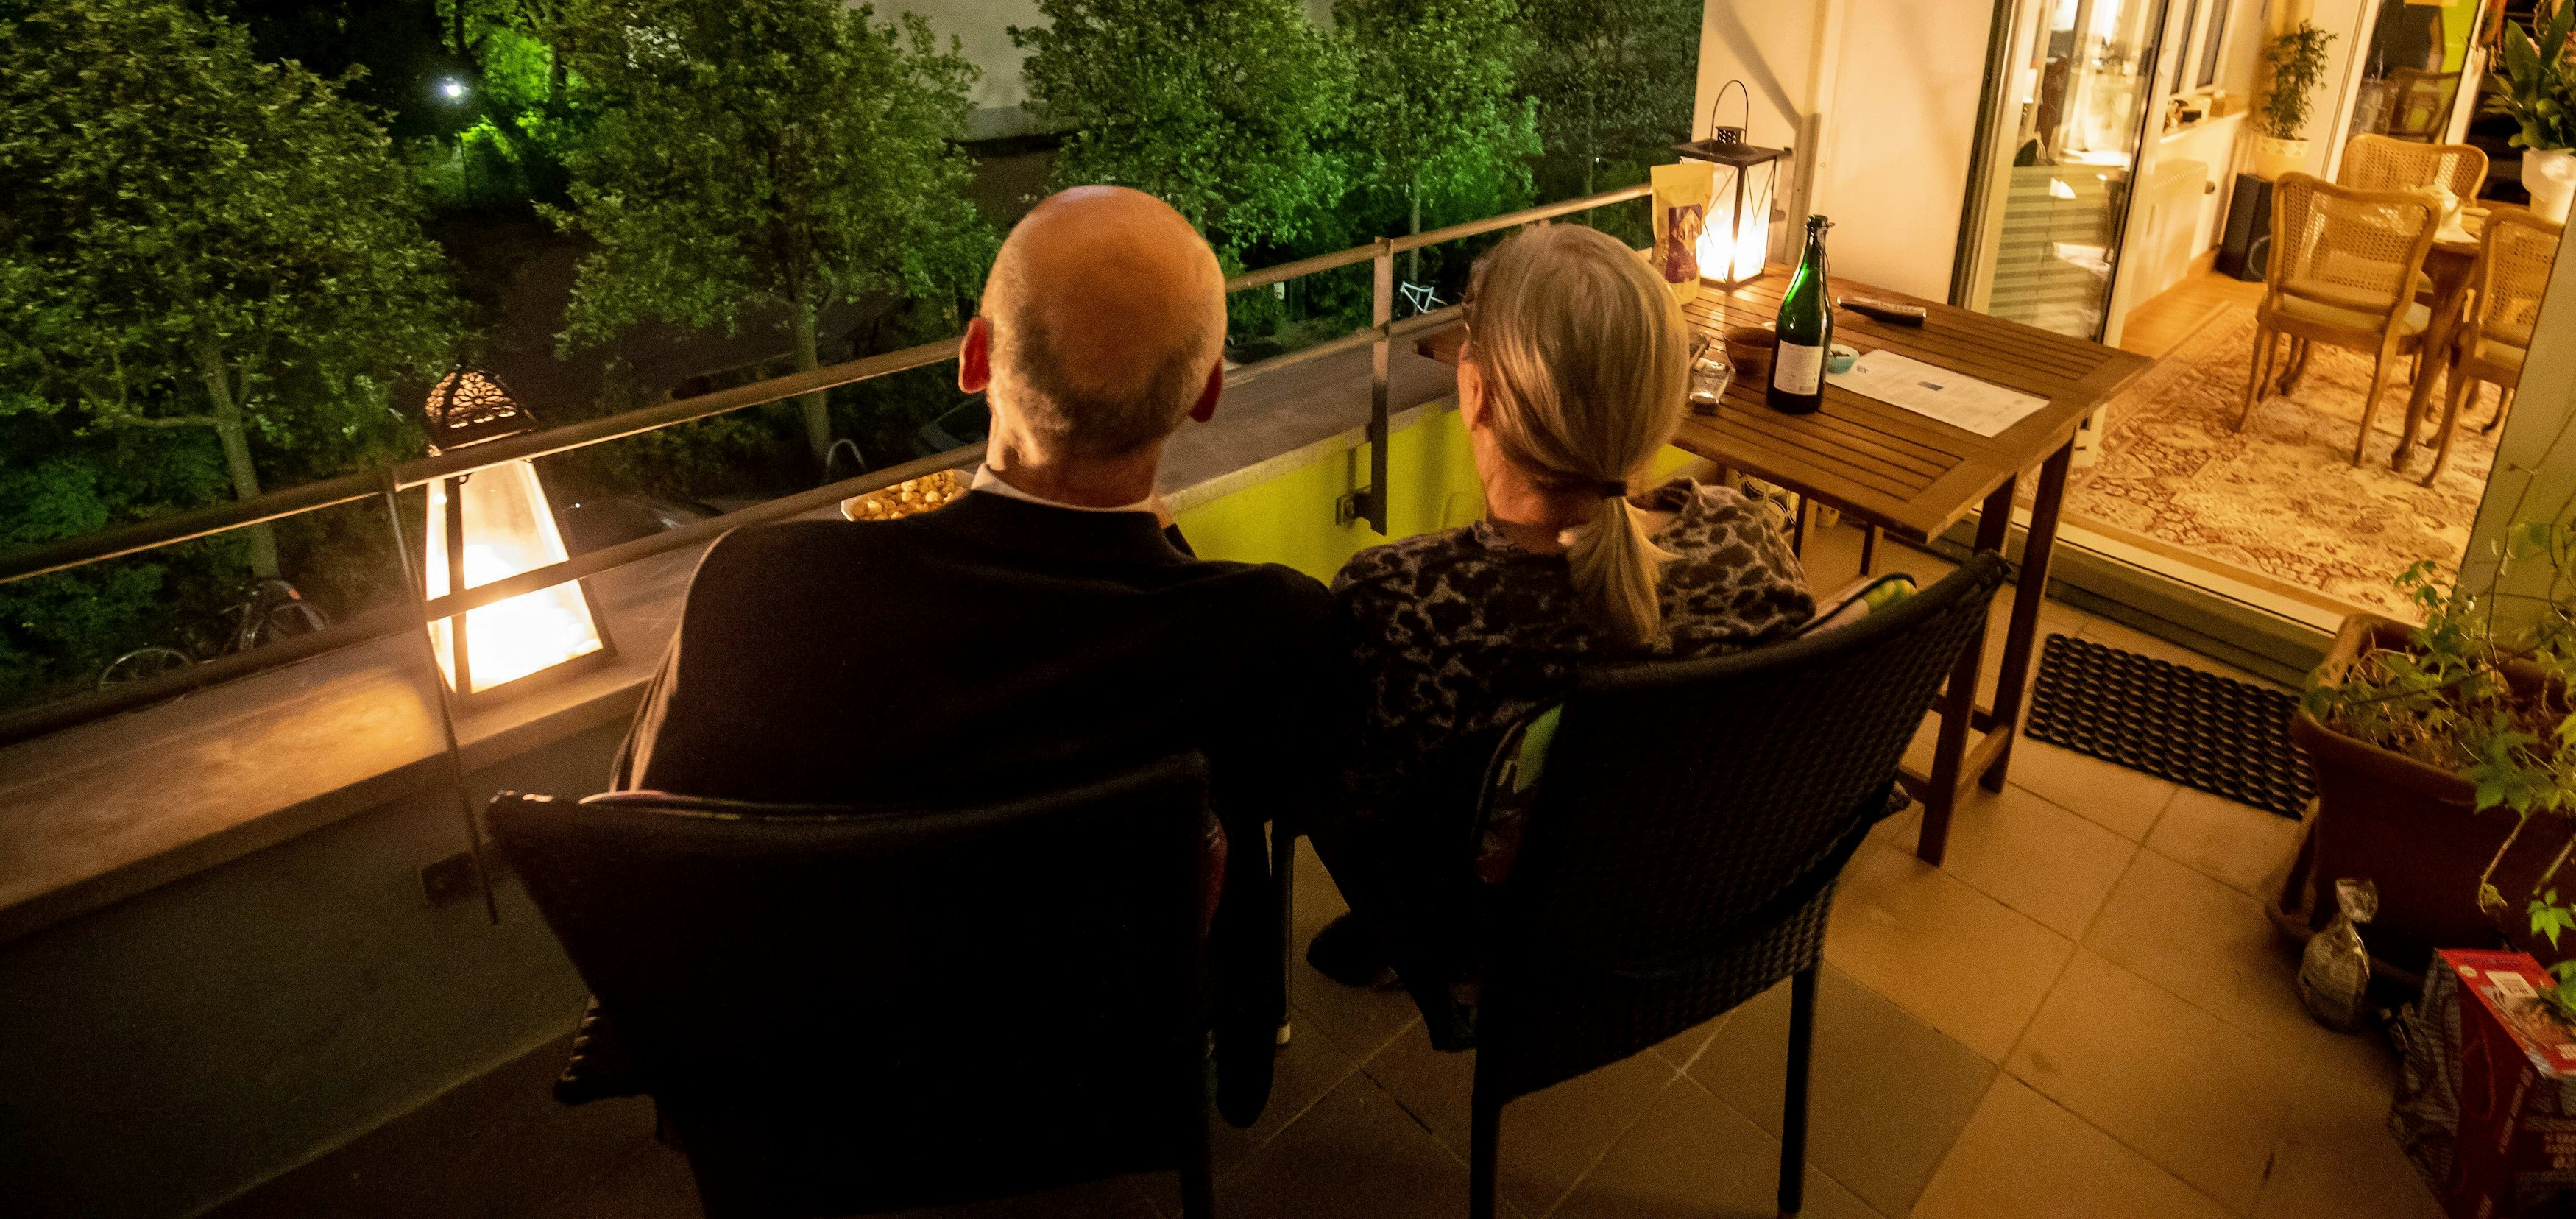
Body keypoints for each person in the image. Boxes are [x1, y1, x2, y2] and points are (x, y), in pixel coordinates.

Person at [615, 186, 1328, 1120]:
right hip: (1108, 1069)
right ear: (1206, 393)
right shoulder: (1265, 629)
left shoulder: (755, 591)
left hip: (828, 1085)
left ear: (975, 358)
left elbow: (643, 839)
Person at [1308, 224, 1815, 1043]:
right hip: (1701, 920)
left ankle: (1391, 952)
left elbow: (1357, 807)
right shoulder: (1749, 545)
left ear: (1476, 393)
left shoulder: (1396, 604)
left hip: (1501, 963)